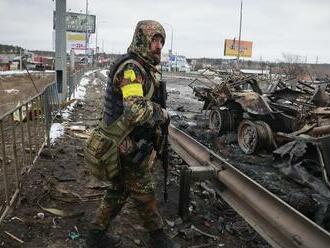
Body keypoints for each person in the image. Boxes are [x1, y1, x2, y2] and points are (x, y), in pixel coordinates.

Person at [85, 20, 176, 248]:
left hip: (125, 142)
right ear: (141, 39)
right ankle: (159, 238)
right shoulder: (132, 69)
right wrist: (160, 112)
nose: (158, 46)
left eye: (161, 41)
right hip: (123, 145)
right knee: (144, 192)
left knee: (118, 191)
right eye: (154, 40)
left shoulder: (142, 67)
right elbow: (135, 109)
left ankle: (95, 236)